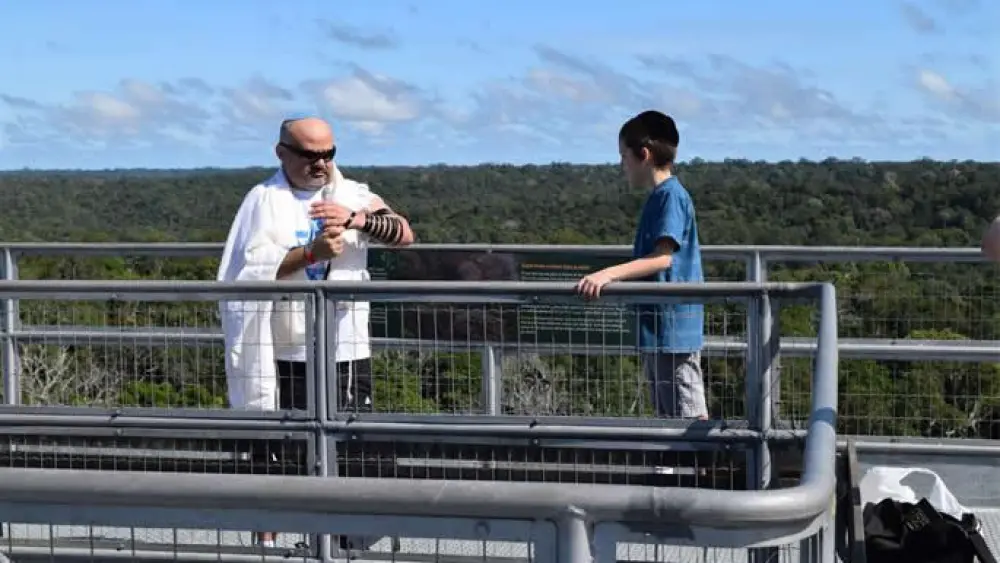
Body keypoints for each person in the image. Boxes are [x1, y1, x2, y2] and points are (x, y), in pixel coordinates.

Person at [216, 115, 414, 548]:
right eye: (310, 155)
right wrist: (311, 253)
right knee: (278, 452)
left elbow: (403, 233)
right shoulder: (262, 200)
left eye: (329, 153)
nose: (321, 163)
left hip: (345, 348)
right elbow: (247, 272)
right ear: (282, 152)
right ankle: (268, 543)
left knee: (351, 446)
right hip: (284, 352)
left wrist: (358, 220)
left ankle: (346, 544)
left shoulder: (353, 194)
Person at [575, 110, 708, 420]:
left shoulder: (670, 197)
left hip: (673, 328)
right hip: (661, 327)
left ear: (643, 155)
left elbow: (663, 257)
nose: (622, 165)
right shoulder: (660, 196)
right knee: (668, 411)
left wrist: (608, 274)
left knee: (685, 413)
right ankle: (674, 468)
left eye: (624, 156)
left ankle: (696, 466)